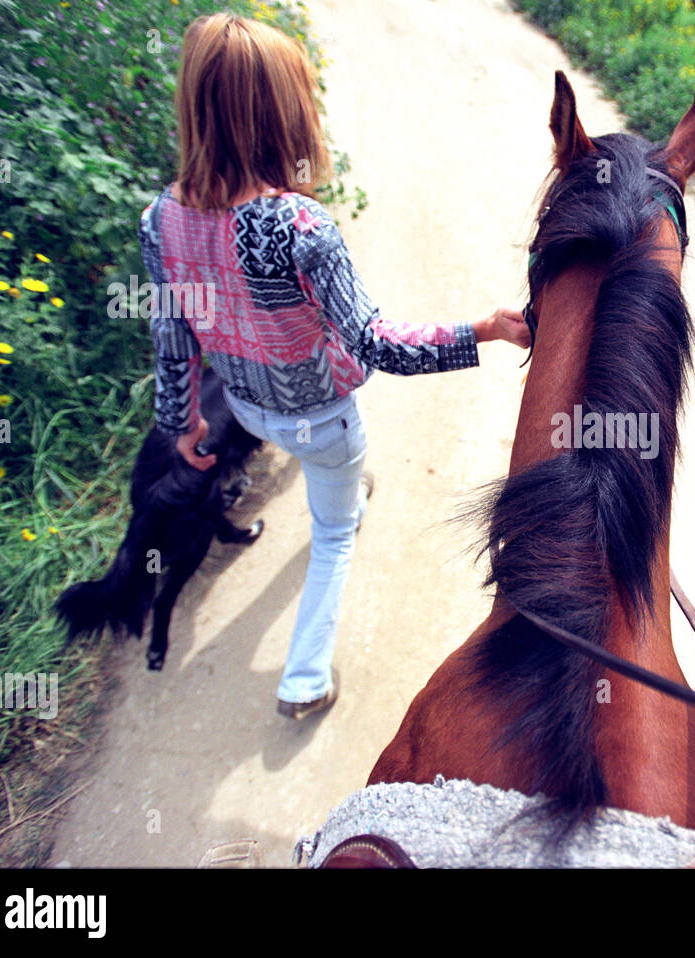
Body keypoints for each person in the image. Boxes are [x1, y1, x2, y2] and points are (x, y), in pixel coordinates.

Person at [138, 13, 529, 719]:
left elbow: (173, 337)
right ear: (282, 113)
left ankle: (344, 486)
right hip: (324, 420)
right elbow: (379, 344)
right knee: (333, 536)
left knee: (333, 477)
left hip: (250, 415)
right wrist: (485, 330)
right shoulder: (298, 227)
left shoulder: (160, 219)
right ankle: (304, 680)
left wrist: (182, 425)